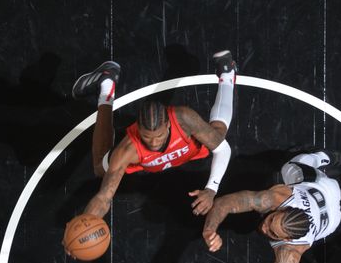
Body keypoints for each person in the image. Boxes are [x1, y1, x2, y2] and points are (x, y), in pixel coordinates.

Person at [72, 50, 237, 218]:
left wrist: (211, 190)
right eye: (146, 137)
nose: (153, 143)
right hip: (143, 160)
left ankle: (227, 74)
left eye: (158, 136)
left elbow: (224, 150)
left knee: (218, 136)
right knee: (101, 169)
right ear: (137, 129)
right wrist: (86, 222)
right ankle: (106, 87)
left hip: (186, 148)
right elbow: (103, 198)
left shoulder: (185, 119)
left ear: (167, 125)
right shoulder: (128, 149)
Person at [202, 151, 341, 263]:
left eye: (273, 234)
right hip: (321, 186)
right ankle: (326, 156)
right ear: (282, 209)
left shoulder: (290, 254)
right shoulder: (277, 197)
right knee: (290, 167)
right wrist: (210, 229)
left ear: (287, 240)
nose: (264, 227)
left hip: (331, 220)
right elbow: (224, 203)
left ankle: (327, 159)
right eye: (270, 220)